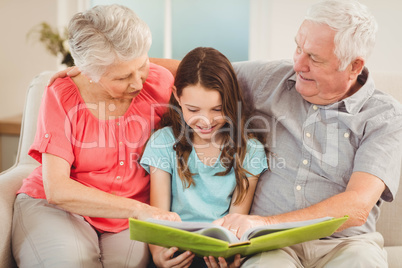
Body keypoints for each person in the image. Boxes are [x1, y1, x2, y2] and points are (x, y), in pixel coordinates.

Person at [154, 0, 402, 267]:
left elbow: (356, 206)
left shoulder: (384, 117)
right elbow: (200, 73)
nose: (298, 64)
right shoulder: (272, 78)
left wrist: (265, 222)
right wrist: (124, 67)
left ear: (354, 66)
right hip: (271, 245)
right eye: (298, 48)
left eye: (314, 58)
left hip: (346, 244)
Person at [12, 4, 180, 268]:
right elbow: (57, 189)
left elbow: (210, 68)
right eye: (123, 76)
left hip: (126, 219)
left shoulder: (156, 81)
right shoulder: (62, 94)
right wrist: (142, 211)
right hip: (62, 209)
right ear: (89, 72)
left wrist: (132, 62)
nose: (137, 82)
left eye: (142, 65)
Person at [140, 47, 268, 268]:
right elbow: (158, 215)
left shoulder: (250, 150)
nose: (206, 121)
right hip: (173, 247)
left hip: (218, 251)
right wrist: (158, 255)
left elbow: (236, 221)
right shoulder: (162, 142)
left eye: (218, 109)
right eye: (193, 109)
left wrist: (231, 257)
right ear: (177, 96)